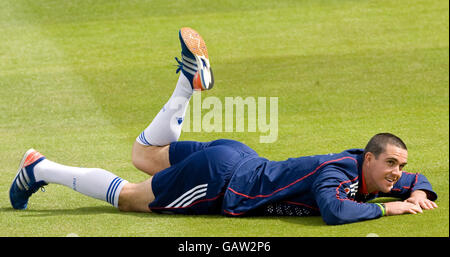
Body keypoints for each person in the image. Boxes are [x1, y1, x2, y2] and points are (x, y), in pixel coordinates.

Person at [9, 27, 438, 225]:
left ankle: (186, 83)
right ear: (367, 159)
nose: (398, 174)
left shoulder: (370, 173)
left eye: (400, 167)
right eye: (392, 165)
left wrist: (416, 190)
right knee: (131, 199)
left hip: (235, 156)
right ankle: (39, 167)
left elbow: (418, 178)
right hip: (221, 181)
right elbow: (335, 211)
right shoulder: (336, 174)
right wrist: (389, 207)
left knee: (143, 155)